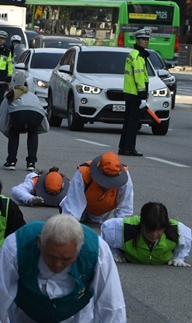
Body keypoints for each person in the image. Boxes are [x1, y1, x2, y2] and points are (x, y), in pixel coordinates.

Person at [0, 214, 127, 323]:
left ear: (80, 247)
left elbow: (111, 300)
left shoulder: (98, 251)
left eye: (66, 259)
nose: (58, 264)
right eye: (51, 256)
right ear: (40, 242)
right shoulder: (15, 245)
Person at [100, 202, 192, 266]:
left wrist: (179, 258)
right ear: (142, 223)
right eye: (150, 229)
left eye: (159, 230)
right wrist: (114, 253)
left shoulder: (178, 230)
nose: (154, 234)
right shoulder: (124, 228)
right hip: (131, 258)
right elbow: (104, 237)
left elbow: (184, 246)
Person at [60, 152, 134, 225]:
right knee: (70, 219)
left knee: (94, 222)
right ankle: (64, 203)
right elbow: (73, 204)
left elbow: (125, 208)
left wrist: (120, 226)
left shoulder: (125, 177)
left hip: (101, 211)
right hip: (81, 203)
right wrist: (70, 224)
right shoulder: (83, 173)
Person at [0, 70, 48, 171]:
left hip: (18, 114)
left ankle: (11, 161)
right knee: (33, 132)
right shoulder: (33, 95)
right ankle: (31, 163)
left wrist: (9, 133)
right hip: (36, 115)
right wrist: (39, 129)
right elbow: (41, 112)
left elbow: (3, 121)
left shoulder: (10, 96)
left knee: (14, 131)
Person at [119, 28, 151, 157]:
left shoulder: (133, 54)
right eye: (143, 39)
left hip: (129, 93)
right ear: (137, 41)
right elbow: (139, 78)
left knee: (128, 122)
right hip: (135, 94)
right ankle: (129, 149)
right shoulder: (138, 56)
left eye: (147, 39)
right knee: (133, 123)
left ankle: (123, 148)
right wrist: (142, 97)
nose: (146, 42)